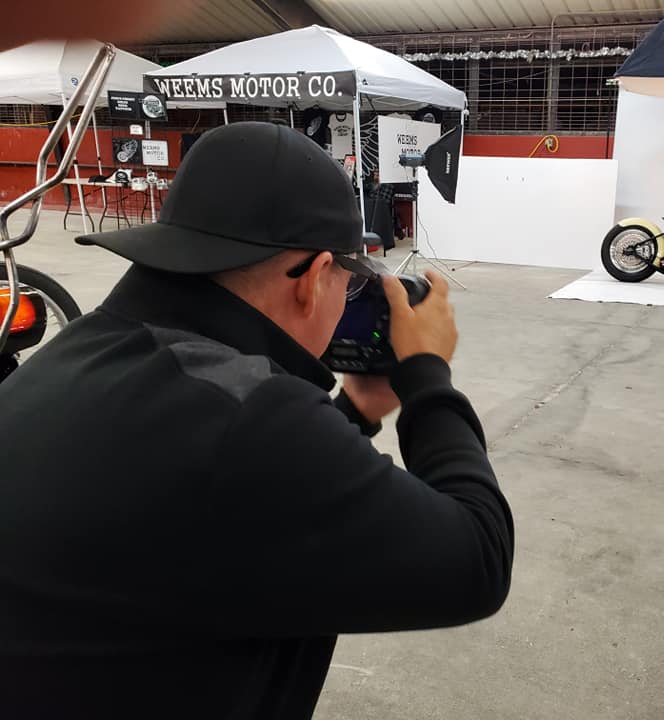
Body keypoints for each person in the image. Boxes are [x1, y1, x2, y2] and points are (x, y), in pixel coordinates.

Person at [0, 122, 514, 719]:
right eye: (350, 280)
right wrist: (426, 376)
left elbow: (233, 504)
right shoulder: (249, 419)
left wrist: (354, 412)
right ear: (315, 276)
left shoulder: (84, 355)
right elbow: (476, 561)